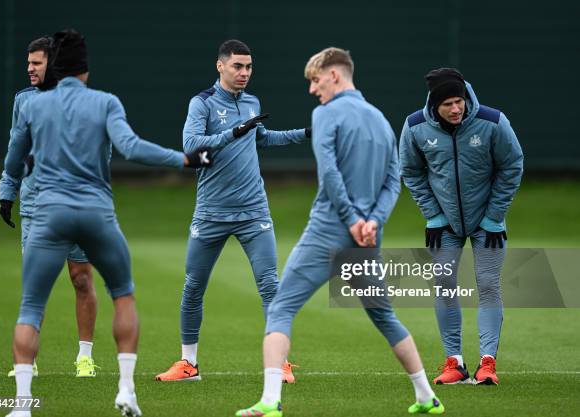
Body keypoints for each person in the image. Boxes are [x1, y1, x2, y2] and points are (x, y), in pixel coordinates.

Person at [0, 29, 213, 417]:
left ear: (54, 67)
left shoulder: (32, 107)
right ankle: (127, 391)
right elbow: (131, 148)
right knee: (123, 294)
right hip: (96, 213)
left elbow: (16, 158)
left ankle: (20, 405)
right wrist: (184, 159)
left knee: (31, 307)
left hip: (47, 214)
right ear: (85, 69)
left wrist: (9, 188)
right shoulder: (105, 102)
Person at [236, 47, 444, 417]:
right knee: (383, 316)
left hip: (329, 231)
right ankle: (426, 396)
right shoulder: (380, 119)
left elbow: (329, 174)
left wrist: (351, 219)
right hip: (367, 236)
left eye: (315, 80)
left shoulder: (326, 114)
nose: (313, 90)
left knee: (281, 308)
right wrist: (373, 221)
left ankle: (270, 402)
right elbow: (393, 180)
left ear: (334, 74)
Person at [155, 39, 309, 384]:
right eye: (238, 66)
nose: (244, 73)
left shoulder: (252, 101)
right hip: (210, 212)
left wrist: (306, 133)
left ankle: (279, 364)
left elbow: (262, 138)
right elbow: (191, 146)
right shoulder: (203, 103)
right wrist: (232, 132)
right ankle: (188, 365)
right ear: (220, 66)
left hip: (253, 211)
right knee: (193, 286)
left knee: (271, 286)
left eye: (249, 67)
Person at [399, 68, 523, 385]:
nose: (456, 109)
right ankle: (454, 363)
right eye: (448, 104)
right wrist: (433, 215)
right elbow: (411, 172)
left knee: (488, 284)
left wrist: (495, 217)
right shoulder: (414, 127)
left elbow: (512, 165)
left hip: (488, 224)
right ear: (433, 105)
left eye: (460, 101)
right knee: (443, 284)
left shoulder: (494, 122)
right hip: (444, 224)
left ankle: (487, 363)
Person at [0, 35, 100, 379]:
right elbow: (15, 147)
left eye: (36, 63)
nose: (29, 68)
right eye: (28, 63)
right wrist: (6, 192)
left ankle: (84, 358)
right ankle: (28, 361)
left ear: (53, 64)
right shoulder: (24, 101)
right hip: (36, 205)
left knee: (81, 278)